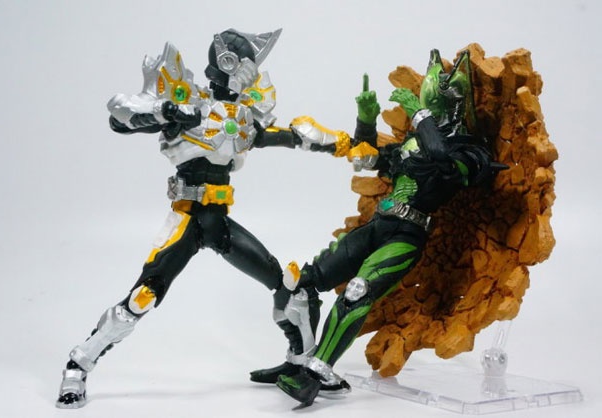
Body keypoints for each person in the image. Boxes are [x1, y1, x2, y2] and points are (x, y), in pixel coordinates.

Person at [56, 28, 352, 409]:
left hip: (219, 225)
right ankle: (79, 362)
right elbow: (120, 115)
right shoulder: (189, 104)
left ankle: (300, 365)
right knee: (144, 297)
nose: (250, 73)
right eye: (245, 65)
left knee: (289, 288)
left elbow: (289, 136)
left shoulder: (242, 117)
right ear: (227, 63)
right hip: (188, 220)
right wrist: (165, 112)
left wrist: (342, 144)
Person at [273, 50, 505, 406]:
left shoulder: (468, 151)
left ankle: (316, 374)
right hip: (378, 225)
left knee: (358, 290)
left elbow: (442, 160)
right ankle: (298, 359)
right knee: (303, 281)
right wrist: (365, 121)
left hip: (407, 235)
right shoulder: (413, 143)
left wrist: (418, 113)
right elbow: (367, 157)